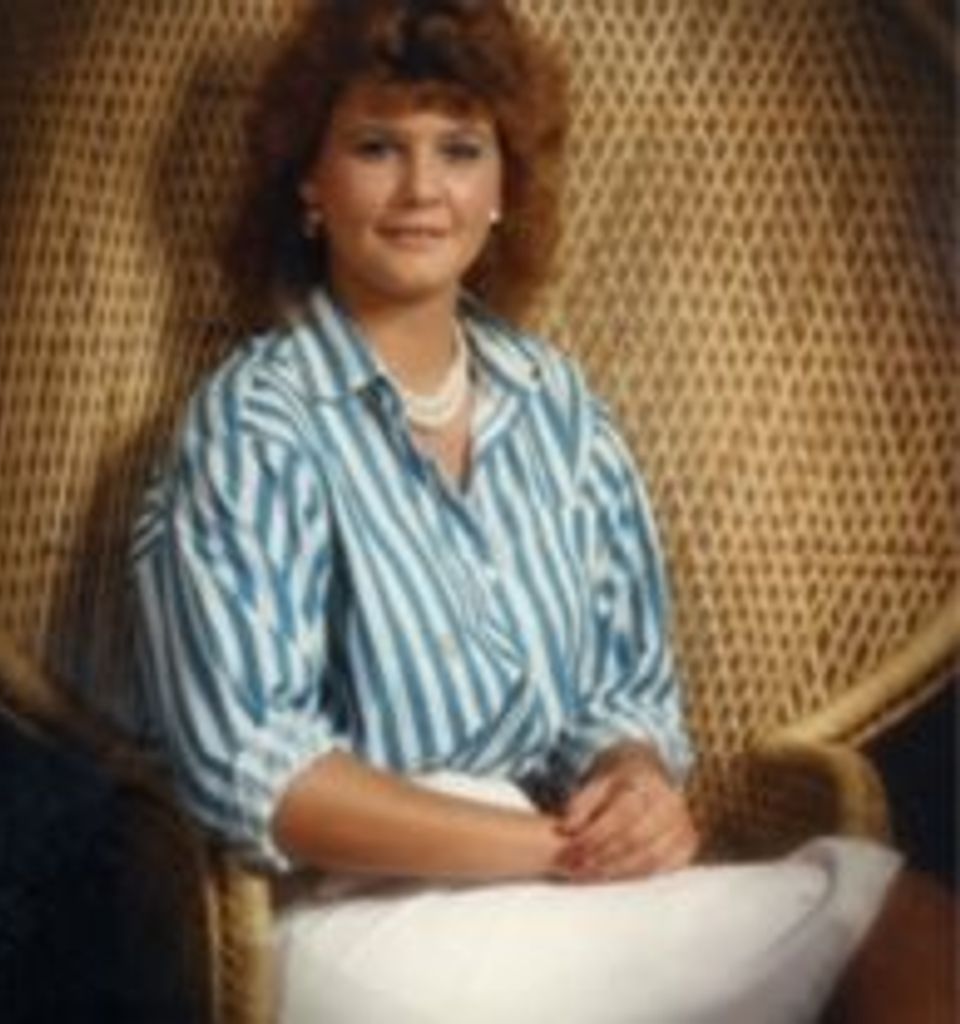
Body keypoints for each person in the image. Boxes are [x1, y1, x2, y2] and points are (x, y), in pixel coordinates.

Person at [129, 1, 953, 1021]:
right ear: (309, 181)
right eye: (377, 147)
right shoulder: (256, 422)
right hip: (363, 913)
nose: (422, 188)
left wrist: (635, 785)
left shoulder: (556, 404)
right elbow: (259, 774)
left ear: (501, 188)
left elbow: (622, 691)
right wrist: (553, 847)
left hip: (556, 881)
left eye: (460, 149)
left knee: (895, 917)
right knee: (860, 923)